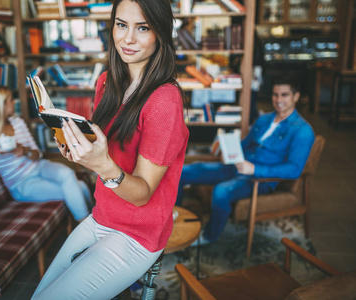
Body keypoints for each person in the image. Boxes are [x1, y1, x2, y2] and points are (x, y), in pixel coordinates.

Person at [31, 0, 189, 298]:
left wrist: (101, 164)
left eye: (142, 28)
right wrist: (79, 152)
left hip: (137, 234)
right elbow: (104, 159)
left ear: (160, 33)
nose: (127, 39)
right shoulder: (106, 82)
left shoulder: (164, 101)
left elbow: (142, 193)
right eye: (121, 24)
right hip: (101, 216)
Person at [176, 75, 315, 244]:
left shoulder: (302, 130)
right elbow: (245, 144)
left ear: (296, 96)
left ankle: (208, 237)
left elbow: (294, 170)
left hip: (260, 179)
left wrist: (255, 170)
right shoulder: (264, 119)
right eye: (275, 94)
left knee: (222, 191)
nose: (278, 100)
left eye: (284, 95)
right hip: (235, 167)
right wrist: (228, 153)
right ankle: (172, 220)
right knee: (183, 171)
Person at [0, 85, 92, 222]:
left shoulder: (18, 123)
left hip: (39, 166)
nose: (14, 102)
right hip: (22, 184)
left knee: (68, 175)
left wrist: (25, 150)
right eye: (9, 100)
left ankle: (93, 224)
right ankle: (87, 225)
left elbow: (37, 154)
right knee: (78, 187)